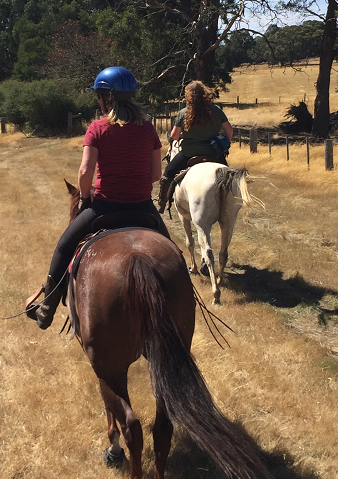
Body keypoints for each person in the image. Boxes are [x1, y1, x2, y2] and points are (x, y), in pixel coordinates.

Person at [25, 66, 170, 330]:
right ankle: (185, 298)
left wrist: (84, 195)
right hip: (143, 208)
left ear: (106, 98)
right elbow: (156, 174)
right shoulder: (148, 129)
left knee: (63, 246)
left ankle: (47, 305)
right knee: (173, 255)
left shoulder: (97, 128)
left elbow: (84, 171)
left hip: (104, 207)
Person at [156, 81, 233, 211]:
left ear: (188, 96)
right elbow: (229, 130)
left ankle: (162, 203)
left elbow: (174, 136)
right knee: (230, 177)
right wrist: (225, 145)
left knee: (168, 173)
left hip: (188, 153)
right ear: (205, 94)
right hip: (213, 152)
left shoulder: (183, 113)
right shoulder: (216, 111)